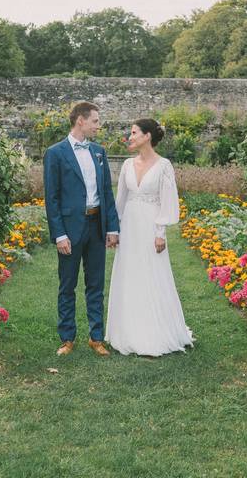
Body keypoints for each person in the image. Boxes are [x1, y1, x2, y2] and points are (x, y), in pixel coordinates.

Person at [106, 118, 194, 356]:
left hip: (150, 226)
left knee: (151, 274)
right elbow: (120, 201)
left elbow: (167, 201)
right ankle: (127, 331)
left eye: (134, 133)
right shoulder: (126, 165)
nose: (129, 137)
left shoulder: (164, 165)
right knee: (129, 274)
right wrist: (113, 230)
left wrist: (160, 232)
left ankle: (154, 331)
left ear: (147, 137)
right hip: (129, 227)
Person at [43, 101, 120, 356]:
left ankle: (96, 338)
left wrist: (112, 228)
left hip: (96, 226)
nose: (99, 125)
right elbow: (51, 198)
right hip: (70, 230)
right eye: (95, 121)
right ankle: (67, 338)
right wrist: (59, 234)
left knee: (96, 284)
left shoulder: (99, 151)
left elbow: (106, 192)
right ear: (80, 121)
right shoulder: (55, 153)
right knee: (67, 285)